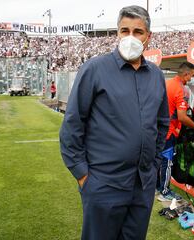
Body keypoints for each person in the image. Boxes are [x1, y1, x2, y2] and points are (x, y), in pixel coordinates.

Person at [59, 6, 170, 240]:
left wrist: (154, 164)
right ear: (117, 34)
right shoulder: (95, 69)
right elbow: (73, 124)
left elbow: (161, 124)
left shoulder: (156, 76)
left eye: (138, 31)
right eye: (124, 30)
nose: (131, 37)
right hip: (103, 183)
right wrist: (83, 175)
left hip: (142, 184)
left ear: (148, 37)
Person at [157, 62, 194, 202]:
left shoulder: (167, 83)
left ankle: (157, 186)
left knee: (157, 160)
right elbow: (182, 116)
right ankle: (164, 191)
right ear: (186, 74)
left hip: (158, 128)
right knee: (166, 162)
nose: (191, 78)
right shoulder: (180, 89)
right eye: (192, 75)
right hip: (167, 131)